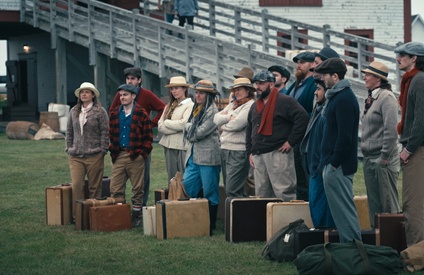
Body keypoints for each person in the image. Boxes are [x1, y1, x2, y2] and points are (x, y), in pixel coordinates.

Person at [314, 58, 361, 243]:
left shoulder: (343, 98)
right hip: (334, 165)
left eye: (325, 75)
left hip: (339, 166)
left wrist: (333, 163)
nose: (323, 79)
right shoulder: (337, 96)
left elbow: (345, 138)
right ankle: (349, 250)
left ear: (335, 76)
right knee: (340, 214)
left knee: (345, 212)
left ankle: (354, 253)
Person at [246, 70, 308, 201]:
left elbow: (302, 118)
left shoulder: (285, 101)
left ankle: (288, 221)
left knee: (284, 192)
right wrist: (250, 152)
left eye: (261, 83)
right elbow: (250, 130)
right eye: (256, 83)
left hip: (278, 152)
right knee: (262, 194)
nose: (257, 87)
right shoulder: (254, 106)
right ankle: (266, 221)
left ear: (271, 85)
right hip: (258, 153)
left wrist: (291, 142)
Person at [109, 67, 165, 206]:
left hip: (141, 143)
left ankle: (141, 206)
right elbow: (112, 111)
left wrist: (151, 123)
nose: (130, 81)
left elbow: (163, 108)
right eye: (128, 78)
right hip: (123, 142)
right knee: (118, 180)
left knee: (142, 179)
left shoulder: (147, 95)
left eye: (133, 79)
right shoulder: (120, 94)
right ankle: (120, 208)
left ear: (139, 80)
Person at [360, 61, 400, 228]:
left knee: (388, 204)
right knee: (374, 204)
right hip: (370, 158)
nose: (364, 77)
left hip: (383, 159)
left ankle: (393, 241)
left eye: (368, 74)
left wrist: (384, 157)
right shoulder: (371, 98)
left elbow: (391, 130)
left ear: (378, 78)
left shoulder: (387, 97)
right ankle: (377, 239)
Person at [109, 84, 153, 227]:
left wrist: (142, 155)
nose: (122, 98)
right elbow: (111, 134)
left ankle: (136, 216)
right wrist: (113, 150)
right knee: (115, 187)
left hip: (135, 155)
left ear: (133, 96)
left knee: (137, 188)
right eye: (121, 95)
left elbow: (148, 137)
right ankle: (120, 214)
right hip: (119, 154)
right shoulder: (115, 113)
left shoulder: (141, 113)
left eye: (125, 95)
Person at [394, 41, 424, 247]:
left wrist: (409, 149)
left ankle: (416, 254)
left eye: (403, 55)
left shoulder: (419, 80)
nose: (398, 58)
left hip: (417, 150)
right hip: (417, 147)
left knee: (413, 204)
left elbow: (421, 120)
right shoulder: (412, 80)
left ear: (414, 58)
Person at [183, 80, 221, 235]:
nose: (198, 95)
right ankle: (196, 218)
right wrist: (189, 128)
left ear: (209, 95)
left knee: (210, 190)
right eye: (197, 92)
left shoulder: (213, 111)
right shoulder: (196, 108)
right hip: (194, 154)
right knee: (188, 184)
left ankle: (210, 224)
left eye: (202, 93)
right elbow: (193, 131)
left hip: (208, 157)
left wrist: (187, 127)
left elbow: (199, 133)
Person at [66, 82, 109, 220]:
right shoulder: (73, 111)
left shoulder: (100, 111)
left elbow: (105, 132)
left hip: (94, 154)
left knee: (94, 187)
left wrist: (102, 150)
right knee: (77, 185)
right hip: (76, 155)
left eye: (87, 92)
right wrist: (69, 148)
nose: (84, 94)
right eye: (82, 92)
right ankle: (78, 216)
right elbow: (69, 131)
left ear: (93, 95)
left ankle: (94, 216)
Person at [300, 77, 335, 228]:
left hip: (320, 165)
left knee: (321, 204)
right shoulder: (319, 108)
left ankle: (324, 236)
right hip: (313, 164)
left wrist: (320, 164)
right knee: (315, 203)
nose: (315, 92)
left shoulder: (326, 111)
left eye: (319, 89)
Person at [213, 78, 255, 197]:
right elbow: (215, 119)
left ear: (248, 91)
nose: (236, 92)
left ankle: (239, 213)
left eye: (239, 89)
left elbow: (236, 125)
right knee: (231, 188)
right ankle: (241, 213)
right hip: (225, 148)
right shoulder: (233, 104)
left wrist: (223, 123)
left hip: (238, 151)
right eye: (235, 90)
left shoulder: (250, 105)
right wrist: (228, 118)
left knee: (232, 189)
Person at [285, 51, 317, 201]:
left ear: (312, 64)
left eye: (302, 62)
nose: (298, 65)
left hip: (306, 138)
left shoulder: (313, 84)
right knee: (298, 180)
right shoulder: (296, 84)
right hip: (294, 137)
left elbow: (312, 113)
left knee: (307, 176)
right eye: (297, 62)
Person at [158, 76, 194, 182]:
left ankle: (185, 197)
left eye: (177, 88)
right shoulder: (169, 105)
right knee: (171, 177)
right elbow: (160, 126)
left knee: (183, 176)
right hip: (168, 144)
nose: (174, 91)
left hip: (181, 146)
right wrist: (175, 129)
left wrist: (167, 122)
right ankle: (172, 197)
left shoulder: (190, 105)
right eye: (172, 89)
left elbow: (184, 124)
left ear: (184, 89)